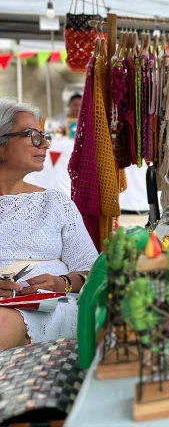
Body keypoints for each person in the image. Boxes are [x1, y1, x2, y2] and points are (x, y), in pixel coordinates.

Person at [0, 99, 97, 351]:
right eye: (32, 135)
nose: (44, 143)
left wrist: (61, 282)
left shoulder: (55, 203)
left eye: (43, 136)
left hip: (50, 310)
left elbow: (93, 271)